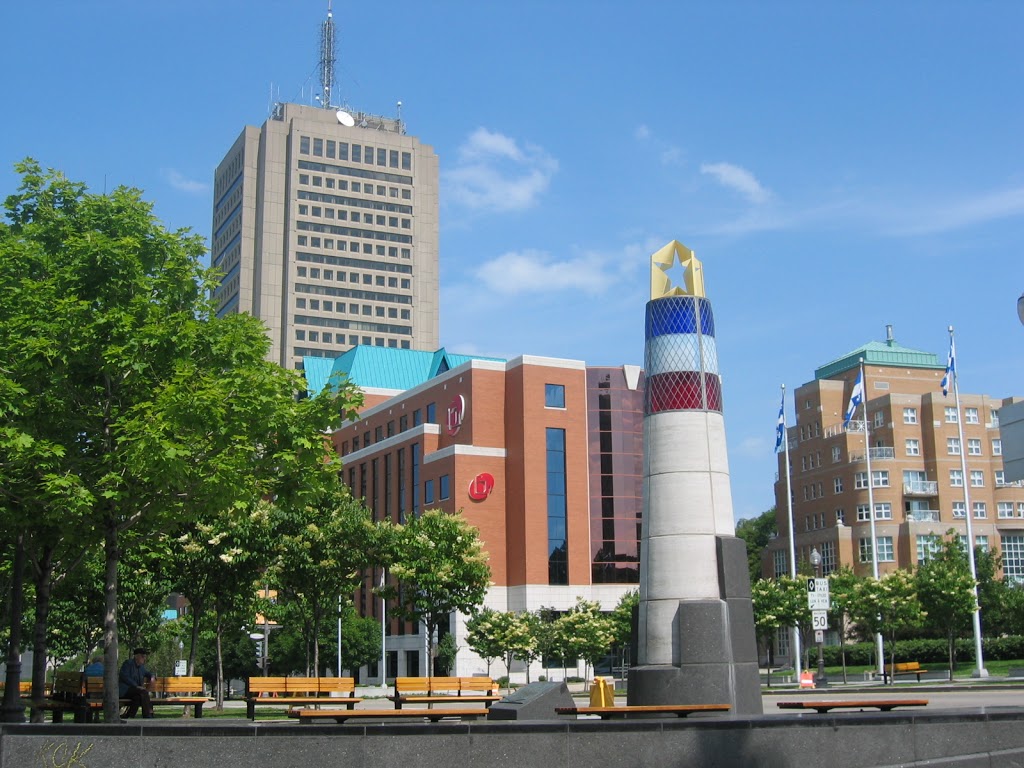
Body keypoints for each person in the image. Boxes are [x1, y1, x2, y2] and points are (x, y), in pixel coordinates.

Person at [118, 647, 154, 718]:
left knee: (137, 698)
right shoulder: (127, 664)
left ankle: (129, 716)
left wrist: (152, 676)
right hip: (125, 690)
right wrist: (136, 686)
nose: (144, 658)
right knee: (143, 692)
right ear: (136, 656)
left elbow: (148, 673)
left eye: (145, 657)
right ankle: (148, 715)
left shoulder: (141, 667)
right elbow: (125, 677)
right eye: (142, 656)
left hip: (135, 691)